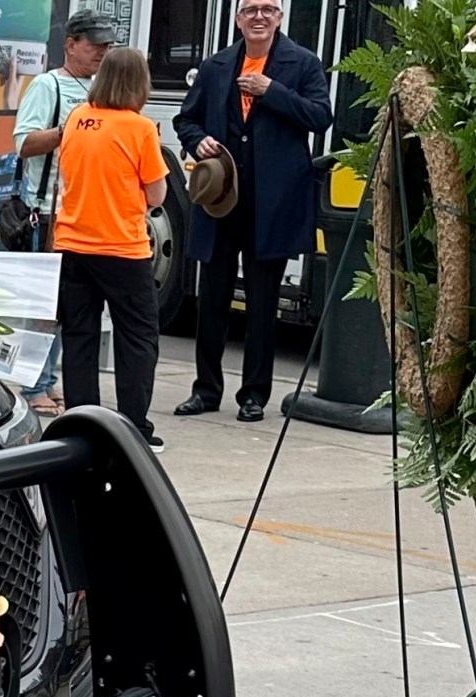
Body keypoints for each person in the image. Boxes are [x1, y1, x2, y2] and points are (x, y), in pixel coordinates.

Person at [172, 0, 331, 421]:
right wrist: (197, 141)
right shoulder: (216, 65)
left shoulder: (303, 63)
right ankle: (205, 391)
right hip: (223, 202)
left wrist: (271, 91)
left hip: (273, 205)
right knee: (214, 300)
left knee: (263, 304)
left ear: (280, 18)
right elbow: (184, 120)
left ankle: (254, 395)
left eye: (268, 9)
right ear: (238, 18)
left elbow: (320, 117)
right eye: (250, 10)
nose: (258, 16)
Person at [55, 47, 168, 451]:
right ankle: (134, 427)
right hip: (123, 247)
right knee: (137, 338)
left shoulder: (77, 120)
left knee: (79, 336)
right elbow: (157, 194)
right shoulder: (138, 128)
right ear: (140, 83)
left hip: (72, 243)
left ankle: (83, 423)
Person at [9, 11, 116, 416]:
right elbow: (23, 143)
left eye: (107, 45)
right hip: (49, 212)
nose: (102, 52)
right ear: (71, 44)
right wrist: (67, 131)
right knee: (43, 310)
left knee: (75, 308)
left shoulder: (104, 89)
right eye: (94, 45)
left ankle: (55, 384)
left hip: (89, 214)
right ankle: (35, 384)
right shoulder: (47, 85)